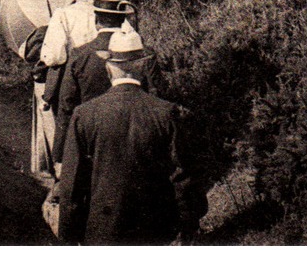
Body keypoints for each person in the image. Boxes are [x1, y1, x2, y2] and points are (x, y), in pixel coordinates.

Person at [53, 29, 200, 245]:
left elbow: (72, 184)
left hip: (102, 230)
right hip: (156, 230)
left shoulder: (84, 114)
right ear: (141, 67)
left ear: (108, 67)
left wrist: (69, 235)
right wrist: (188, 225)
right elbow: (183, 175)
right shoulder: (166, 113)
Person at [31, 0, 104, 179]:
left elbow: (53, 56)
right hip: (106, 77)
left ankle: (57, 166)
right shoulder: (109, 13)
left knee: (50, 101)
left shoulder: (64, 14)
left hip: (75, 80)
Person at [52, 0, 135, 168]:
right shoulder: (143, 54)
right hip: (133, 140)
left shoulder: (79, 55)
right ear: (123, 19)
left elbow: (67, 106)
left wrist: (59, 156)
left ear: (96, 21)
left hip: (92, 143)